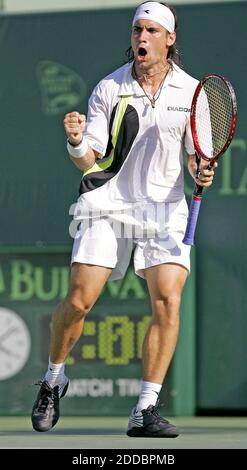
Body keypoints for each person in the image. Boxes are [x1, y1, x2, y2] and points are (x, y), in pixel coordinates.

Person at [31, 1, 216, 438]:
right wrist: (77, 141)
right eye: (137, 30)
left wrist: (201, 169)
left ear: (169, 39)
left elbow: (198, 158)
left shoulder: (194, 94)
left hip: (165, 209)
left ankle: (145, 409)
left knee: (168, 299)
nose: (142, 38)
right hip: (107, 203)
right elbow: (88, 160)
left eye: (152, 31)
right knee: (78, 301)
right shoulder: (109, 88)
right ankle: (54, 378)